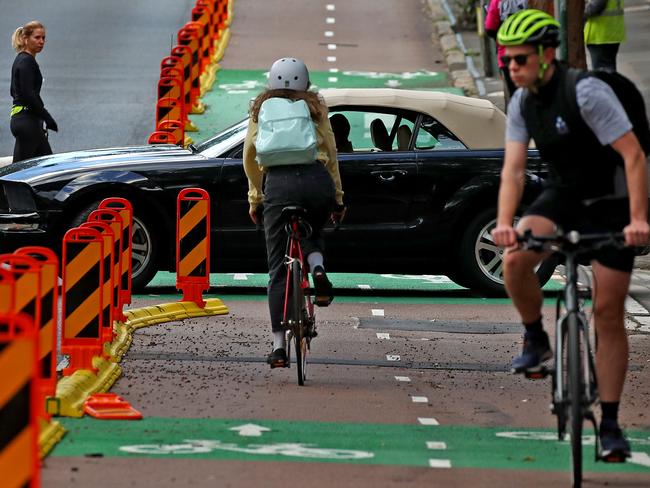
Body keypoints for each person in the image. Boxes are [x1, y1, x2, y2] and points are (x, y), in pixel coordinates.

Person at [492, 9, 649, 460]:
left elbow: (634, 156)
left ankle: (612, 426)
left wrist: (638, 219)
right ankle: (535, 338)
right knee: (517, 257)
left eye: (519, 59)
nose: (512, 68)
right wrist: (505, 223)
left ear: (547, 55)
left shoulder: (587, 92)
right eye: (507, 61)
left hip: (610, 201)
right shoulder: (522, 101)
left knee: (607, 310)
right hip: (563, 197)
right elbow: (514, 170)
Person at [243, 58, 346, 369]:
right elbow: (331, 153)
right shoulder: (316, 107)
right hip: (316, 181)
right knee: (312, 228)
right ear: (306, 83)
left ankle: (277, 347)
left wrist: (256, 197)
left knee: (277, 267)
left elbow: (250, 155)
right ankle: (316, 268)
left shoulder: (261, 108)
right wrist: (338, 198)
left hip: (279, 185)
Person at [10, 20, 58, 163]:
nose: (41, 41)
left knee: (45, 165)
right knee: (20, 173)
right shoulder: (26, 61)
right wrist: (47, 118)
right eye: (37, 38)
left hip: (26, 120)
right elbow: (28, 95)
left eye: (43, 38)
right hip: (27, 122)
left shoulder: (22, 59)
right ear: (25, 39)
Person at [484, 0, 523, 105]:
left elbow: (490, 28)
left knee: (514, 97)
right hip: (535, 54)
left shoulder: (498, 1)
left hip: (507, 54)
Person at [584, 0, 625, 71]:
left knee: (602, 74)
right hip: (611, 33)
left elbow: (595, 7)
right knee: (608, 72)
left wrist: (576, 14)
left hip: (601, 36)